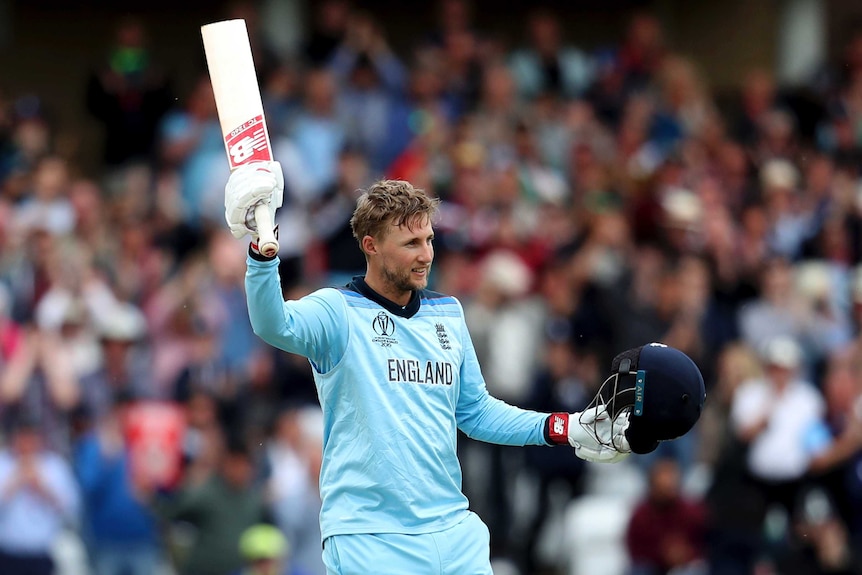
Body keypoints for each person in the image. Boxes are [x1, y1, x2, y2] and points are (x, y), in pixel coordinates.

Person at [222, 161, 703, 573]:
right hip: (371, 536)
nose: (426, 255)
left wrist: (563, 427)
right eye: (410, 243)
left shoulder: (446, 314)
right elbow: (273, 324)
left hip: (453, 530)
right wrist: (262, 260)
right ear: (370, 246)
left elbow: (475, 413)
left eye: (429, 240)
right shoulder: (337, 311)